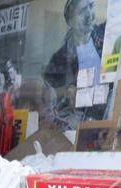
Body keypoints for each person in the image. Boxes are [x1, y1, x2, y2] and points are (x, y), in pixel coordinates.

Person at [43, 0, 106, 128]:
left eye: (91, 6)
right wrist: (67, 91)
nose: (89, 14)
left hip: (106, 117)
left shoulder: (106, 36)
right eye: (82, 11)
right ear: (70, 21)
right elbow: (48, 95)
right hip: (78, 126)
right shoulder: (59, 59)